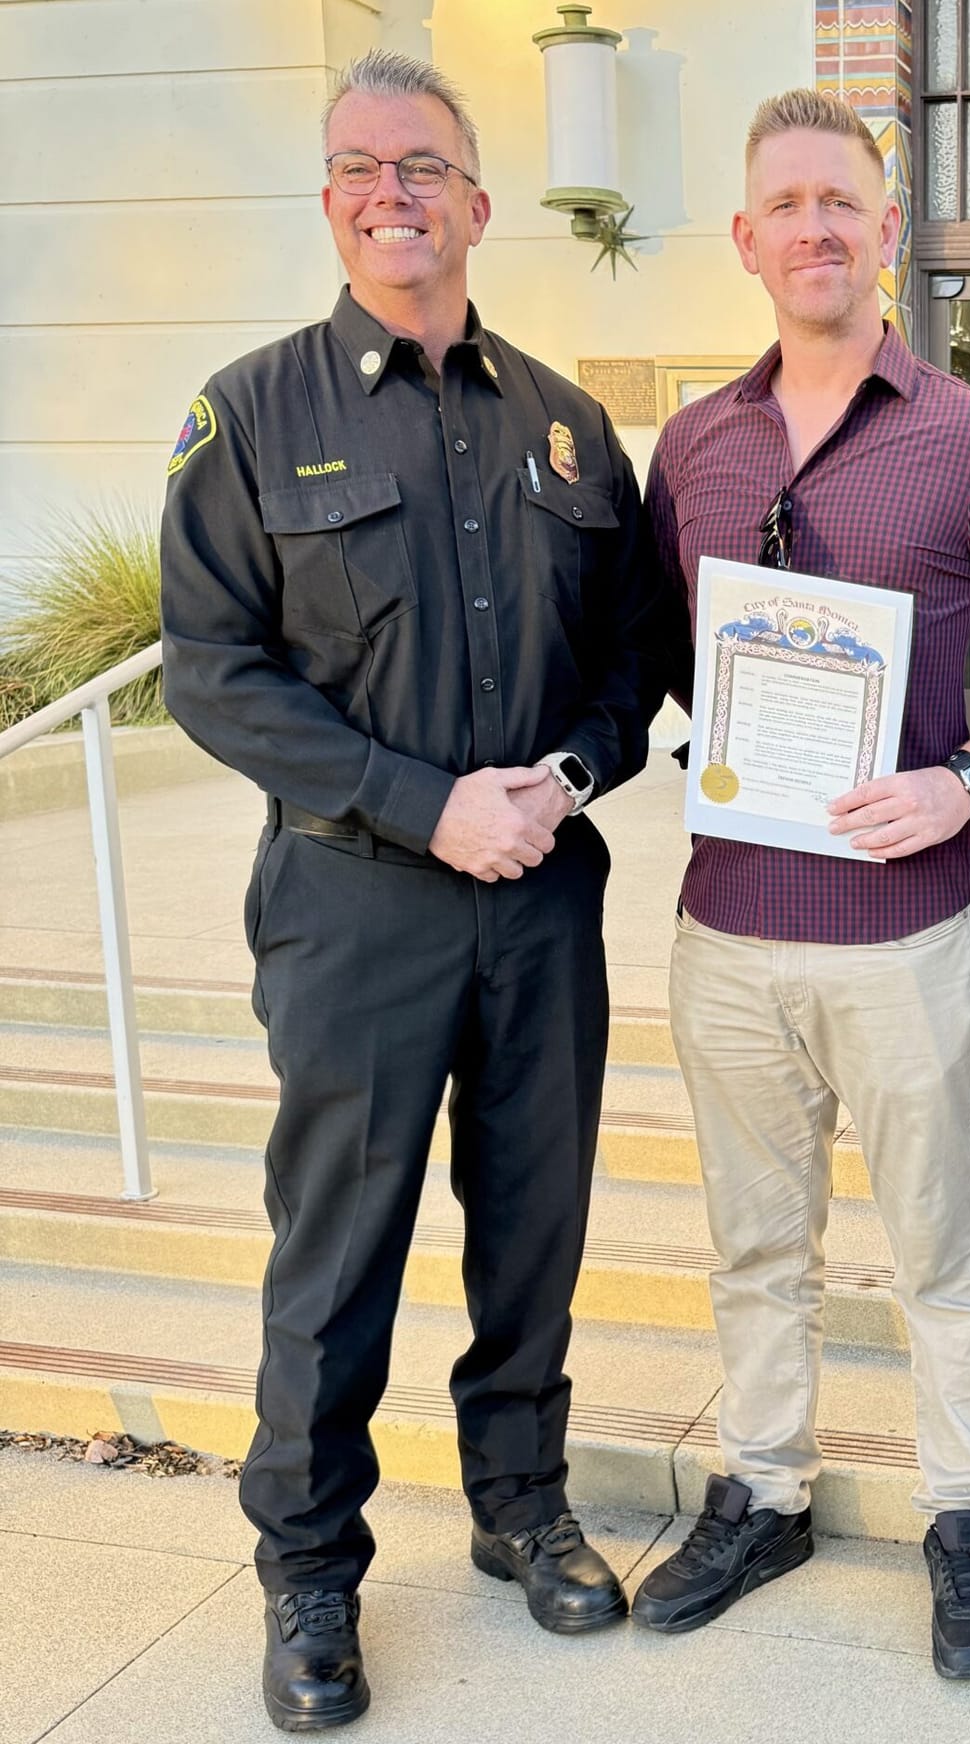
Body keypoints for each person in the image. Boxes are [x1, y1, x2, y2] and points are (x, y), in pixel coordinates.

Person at [160, 51, 677, 1732]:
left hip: (539, 900)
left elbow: (635, 660)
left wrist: (563, 782)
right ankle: (309, 1566)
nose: (394, 193)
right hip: (354, 906)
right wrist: (423, 805)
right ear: (332, 201)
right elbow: (214, 671)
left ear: (476, 200)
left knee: (534, 1224)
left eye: (425, 166)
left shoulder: (566, 426)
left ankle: (521, 1502)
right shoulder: (253, 415)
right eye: (362, 167)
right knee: (339, 1248)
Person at [636, 88, 970, 1679]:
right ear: (746, 239)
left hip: (906, 932)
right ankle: (765, 1491)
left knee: (937, 1248)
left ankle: (963, 1510)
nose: (816, 228)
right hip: (729, 931)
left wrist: (967, 769)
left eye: (842, 201)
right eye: (787, 204)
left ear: (886, 229)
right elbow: (657, 645)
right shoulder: (695, 445)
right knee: (755, 1246)